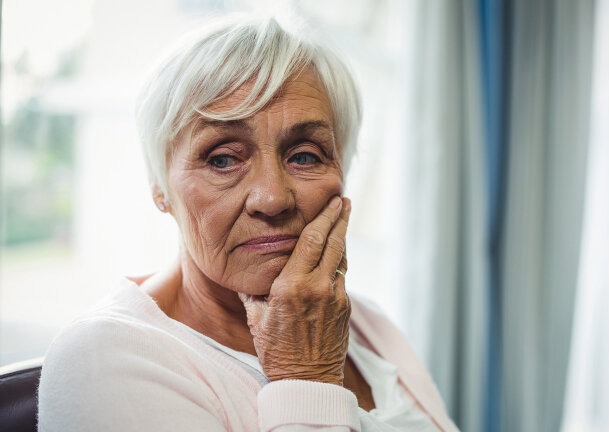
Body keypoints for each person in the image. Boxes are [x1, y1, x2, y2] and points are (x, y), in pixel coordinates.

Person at [37, 15, 459, 432]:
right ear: (160, 187)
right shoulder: (105, 359)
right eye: (222, 159)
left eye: (305, 155)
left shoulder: (364, 321)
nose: (272, 198)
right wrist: (306, 376)